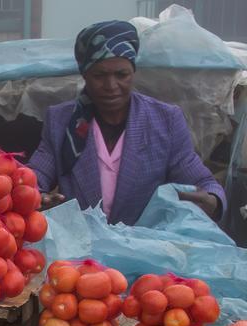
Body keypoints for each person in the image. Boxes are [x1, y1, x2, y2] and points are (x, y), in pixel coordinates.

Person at [28, 20, 225, 225]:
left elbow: (203, 182)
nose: (111, 85)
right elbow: (34, 178)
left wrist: (212, 201)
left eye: (121, 75)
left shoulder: (166, 121)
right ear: (85, 74)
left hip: (147, 248)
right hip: (81, 249)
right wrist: (34, 197)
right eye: (99, 75)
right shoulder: (61, 122)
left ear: (133, 72)